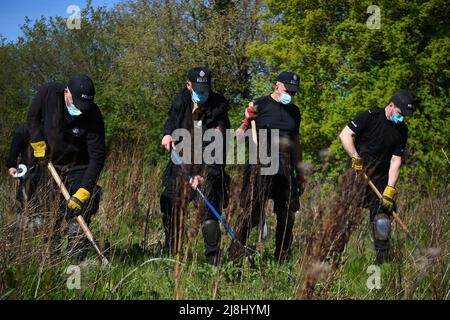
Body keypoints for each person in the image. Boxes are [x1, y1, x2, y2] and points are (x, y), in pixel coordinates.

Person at [27, 74, 106, 262]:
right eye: (76, 103)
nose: (80, 109)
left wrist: (84, 190)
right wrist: (38, 142)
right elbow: (32, 117)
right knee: (48, 213)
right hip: (49, 162)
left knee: (80, 210)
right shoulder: (48, 93)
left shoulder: (93, 115)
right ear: (66, 92)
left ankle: (76, 264)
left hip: (79, 164)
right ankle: (51, 264)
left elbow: (97, 157)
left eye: (84, 105)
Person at [231, 71, 305, 261]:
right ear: (276, 86)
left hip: (286, 167)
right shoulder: (259, 104)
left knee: (287, 215)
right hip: (259, 163)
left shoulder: (295, 112)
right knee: (251, 213)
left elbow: (296, 144)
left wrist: (301, 173)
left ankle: (282, 258)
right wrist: (246, 122)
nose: (291, 95)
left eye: (294, 92)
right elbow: (240, 134)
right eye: (288, 90)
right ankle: (235, 255)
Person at [160, 67, 230, 265]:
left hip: (208, 169)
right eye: (198, 88)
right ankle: (173, 256)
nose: (202, 93)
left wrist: (204, 176)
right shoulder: (181, 101)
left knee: (208, 216)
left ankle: (212, 262)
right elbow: (171, 122)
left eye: (205, 88)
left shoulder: (219, 111)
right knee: (171, 207)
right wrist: (167, 133)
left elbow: (221, 150)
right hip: (180, 167)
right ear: (188, 85)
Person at [339, 90, 415, 264]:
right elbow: (345, 135)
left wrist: (390, 189)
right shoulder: (369, 116)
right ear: (390, 105)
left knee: (382, 219)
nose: (402, 118)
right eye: (400, 113)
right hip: (358, 173)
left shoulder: (402, 130)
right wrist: (355, 157)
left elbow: (396, 160)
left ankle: (382, 261)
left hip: (381, 178)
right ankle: (333, 256)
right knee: (346, 217)